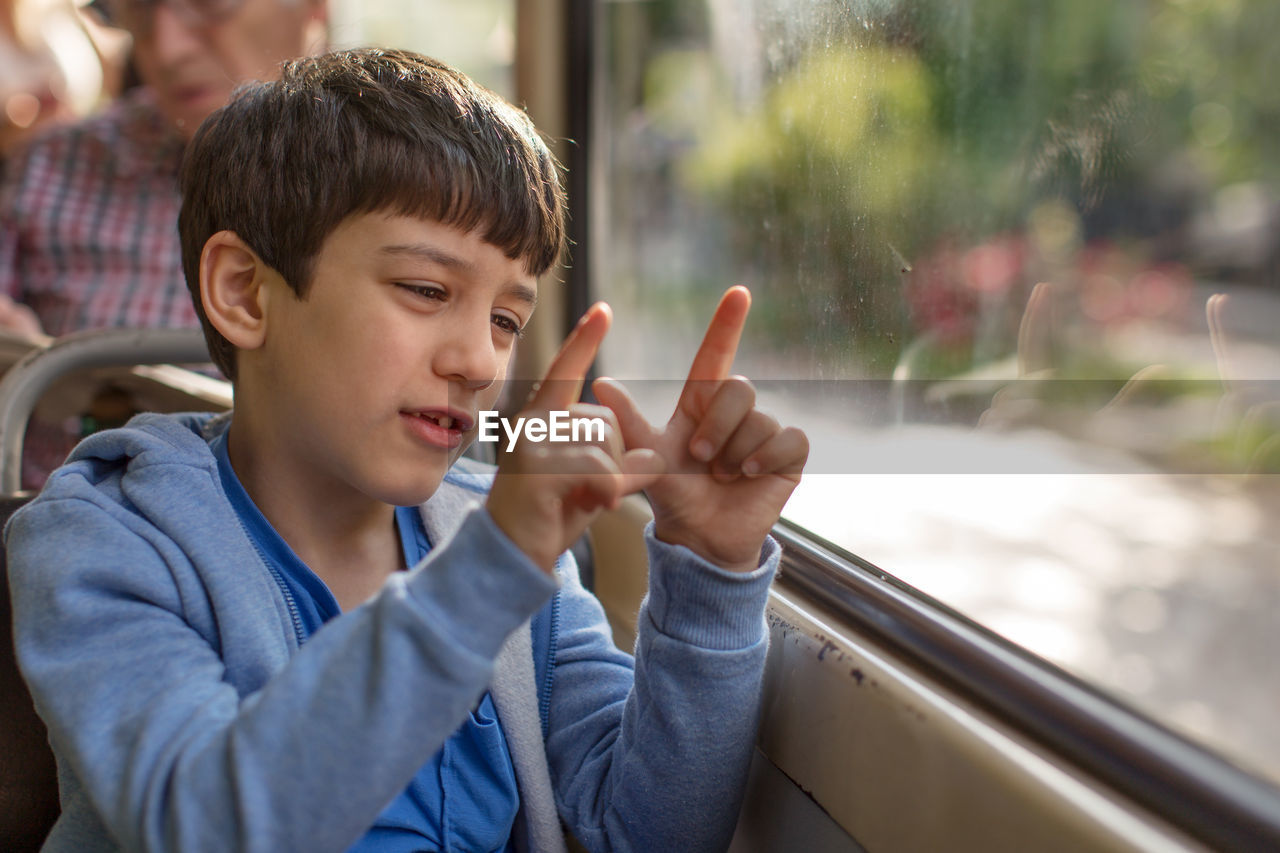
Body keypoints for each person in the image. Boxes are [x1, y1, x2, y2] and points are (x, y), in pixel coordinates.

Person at [4, 48, 809, 851]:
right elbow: (208, 825)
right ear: (245, 292)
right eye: (427, 291)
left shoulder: (501, 547)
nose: (480, 361)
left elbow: (644, 835)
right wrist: (492, 569)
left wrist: (710, 563)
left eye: (506, 320)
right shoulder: (105, 538)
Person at [0, 0, 327, 338]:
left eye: (207, 5)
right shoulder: (53, 169)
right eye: (138, 10)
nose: (167, 51)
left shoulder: (381, 171)